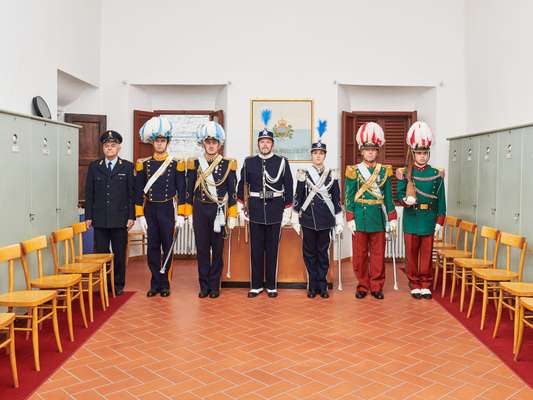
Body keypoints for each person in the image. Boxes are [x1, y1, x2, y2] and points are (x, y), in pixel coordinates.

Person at [237, 109, 294, 298]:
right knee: (256, 250)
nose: (265, 145)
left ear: (272, 144)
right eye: (262, 142)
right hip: (254, 209)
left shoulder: (282, 162)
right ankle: (255, 285)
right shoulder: (249, 162)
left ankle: (271, 285)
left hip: (276, 209)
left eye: (268, 142)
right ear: (258, 144)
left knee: (272, 249)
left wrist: (287, 211)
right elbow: (241, 185)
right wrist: (240, 207)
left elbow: (289, 187)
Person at [345, 122, 398, 300]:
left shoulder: (384, 171)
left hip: (377, 217)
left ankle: (376, 286)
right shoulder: (353, 171)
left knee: (377, 255)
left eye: (374, 149)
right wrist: (350, 218)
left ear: (377, 151)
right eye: (367, 149)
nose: (370, 152)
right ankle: (362, 285)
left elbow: (389, 197)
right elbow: (349, 195)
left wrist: (392, 218)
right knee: (359, 256)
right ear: (361, 151)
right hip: (360, 217)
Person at [185, 121, 238, 298]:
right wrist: (186, 212)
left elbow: (232, 191)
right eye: (208, 142)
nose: (211, 145)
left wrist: (232, 214)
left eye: (214, 143)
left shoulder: (228, 164)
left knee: (217, 249)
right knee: (201, 249)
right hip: (200, 210)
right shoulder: (195, 163)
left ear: (219, 144)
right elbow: (189, 189)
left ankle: (215, 286)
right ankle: (204, 285)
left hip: (219, 211)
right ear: (203, 144)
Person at [134, 116, 186, 297]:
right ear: (152, 142)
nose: (159, 144)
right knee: (152, 248)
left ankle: (166, 283)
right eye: (157, 141)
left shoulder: (175, 164)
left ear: (167, 143)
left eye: (163, 141)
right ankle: (154, 282)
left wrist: (181, 214)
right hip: (150, 210)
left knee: (168, 247)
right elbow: (138, 191)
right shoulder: (144, 164)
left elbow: (182, 189)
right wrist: (140, 215)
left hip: (167, 209)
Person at [293, 120, 343, 298]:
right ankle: (312, 285)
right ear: (311, 156)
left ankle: (322, 285)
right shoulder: (303, 174)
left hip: (325, 220)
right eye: (315, 153)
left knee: (323, 254)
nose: (318, 156)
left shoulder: (332, 175)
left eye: (321, 153)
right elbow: (298, 197)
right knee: (309, 254)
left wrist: (338, 220)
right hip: (308, 220)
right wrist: (295, 218)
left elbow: (336, 198)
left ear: (324, 156)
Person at [396, 121, 446, 299]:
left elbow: (441, 200)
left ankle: (425, 283)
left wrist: (440, 221)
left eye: (425, 153)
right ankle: (414, 283)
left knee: (426, 253)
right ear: (413, 153)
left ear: (428, 154)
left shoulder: (436, 173)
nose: (422, 156)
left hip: (429, 218)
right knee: (411, 253)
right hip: (412, 217)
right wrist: (406, 200)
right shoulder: (406, 172)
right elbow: (399, 194)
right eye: (419, 153)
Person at [85, 130, 135, 296]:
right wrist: (88, 216)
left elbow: (131, 193)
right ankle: (104, 284)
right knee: (101, 254)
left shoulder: (127, 167)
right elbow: (89, 193)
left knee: (119, 254)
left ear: (119, 147)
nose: (110, 149)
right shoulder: (94, 167)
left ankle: (118, 284)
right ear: (103, 148)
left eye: (113, 146)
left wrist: (131, 216)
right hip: (100, 219)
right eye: (107, 146)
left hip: (120, 219)